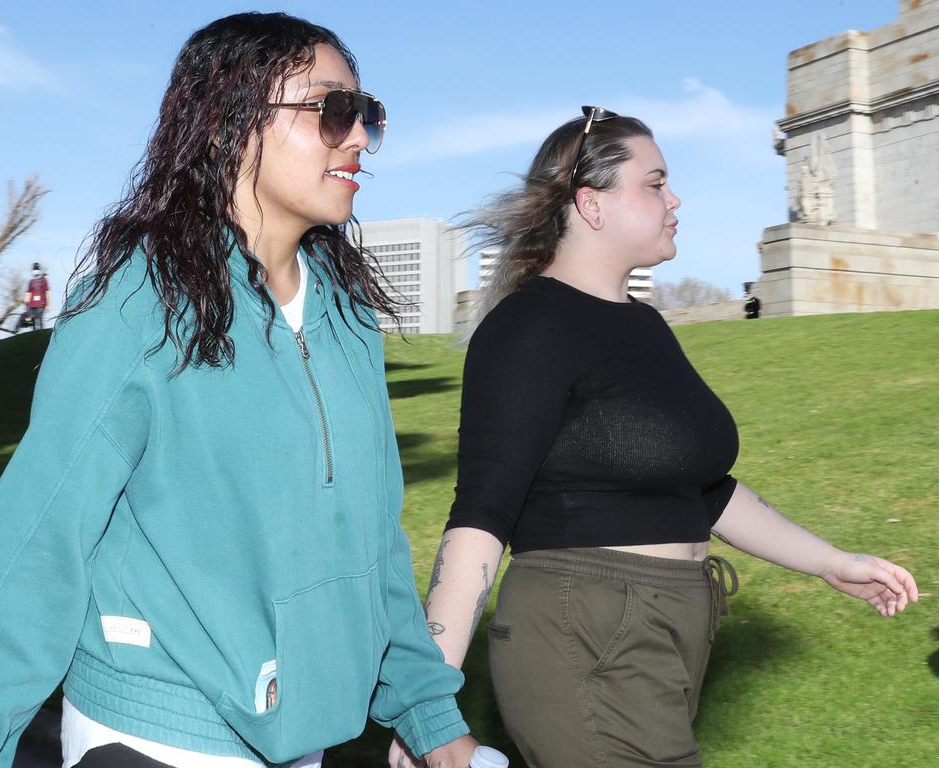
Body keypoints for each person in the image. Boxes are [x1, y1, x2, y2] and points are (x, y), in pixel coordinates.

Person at [0, 13, 477, 768]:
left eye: (367, 115)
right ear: (228, 122)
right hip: (156, 734)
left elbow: (372, 539)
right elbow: (35, 545)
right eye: (332, 110)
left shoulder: (346, 317)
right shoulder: (138, 304)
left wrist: (425, 708)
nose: (358, 139)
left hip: (304, 731)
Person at [393, 108, 918, 768]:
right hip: (583, 631)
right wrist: (431, 703)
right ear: (592, 204)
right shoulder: (531, 327)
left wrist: (833, 563)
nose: (676, 199)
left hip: (665, 631)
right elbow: (481, 515)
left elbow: (707, 494)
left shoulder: (644, 325)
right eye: (655, 183)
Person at [24, 261, 50, 330]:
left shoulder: (44, 280)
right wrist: (26, 304)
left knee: (39, 318)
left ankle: (41, 332)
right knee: (33, 321)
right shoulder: (31, 281)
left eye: (36, 269)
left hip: (41, 304)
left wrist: (48, 304)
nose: (35, 271)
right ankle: (34, 333)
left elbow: (47, 292)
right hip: (31, 305)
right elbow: (28, 293)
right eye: (34, 269)